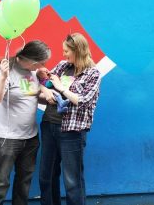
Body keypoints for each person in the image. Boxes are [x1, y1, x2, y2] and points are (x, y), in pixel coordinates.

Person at [39, 33, 101, 205]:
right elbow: (46, 85)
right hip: (49, 126)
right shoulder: (61, 66)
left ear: (78, 51)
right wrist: (43, 88)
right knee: (47, 177)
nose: (64, 54)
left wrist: (61, 87)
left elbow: (83, 101)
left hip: (71, 132)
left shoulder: (92, 74)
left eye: (67, 51)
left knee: (72, 182)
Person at [0, 40, 51, 205]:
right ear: (32, 60)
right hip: (7, 139)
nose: (42, 66)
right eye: (41, 63)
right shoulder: (5, 72)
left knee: (24, 181)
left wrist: (51, 96)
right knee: (1, 182)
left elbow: (31, 97)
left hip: (30, 138)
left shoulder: (32, 73)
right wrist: (3, 77)